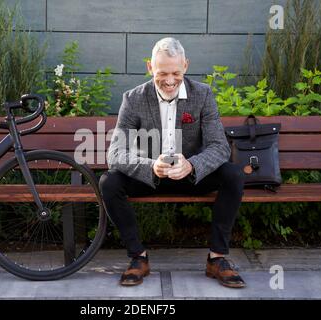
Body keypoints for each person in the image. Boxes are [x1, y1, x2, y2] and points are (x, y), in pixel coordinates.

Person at [99, 37, 246, 288]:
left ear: (186, 66)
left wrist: (192, 165)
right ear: (149, 67)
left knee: (233, 175)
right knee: (109, 182)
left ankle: (217, 259)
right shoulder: (133, 98)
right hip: (150, 178)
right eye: (162, 73)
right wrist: (149, 166)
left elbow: (219, 146)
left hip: (191, 176)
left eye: (176, 73)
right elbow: (115, 153)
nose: (169, 80)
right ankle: (138, 257)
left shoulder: (202, 94)